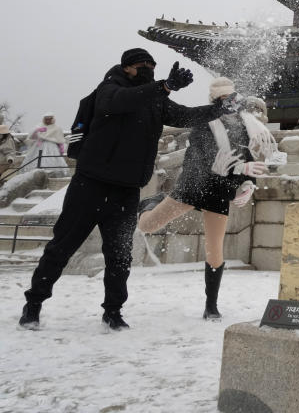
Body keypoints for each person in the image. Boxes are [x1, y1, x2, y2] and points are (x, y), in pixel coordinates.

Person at [18, 48, 228, 331]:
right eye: (144, 65)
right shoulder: (109, 89)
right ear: (127, 67)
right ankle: (33, 304)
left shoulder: (155, 100)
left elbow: (184, 116)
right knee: (61, 248)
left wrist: (217, 110)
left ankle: (113, 311)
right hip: (90, 185)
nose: (150, 69)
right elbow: (120, 102)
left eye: (153, 66)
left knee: (119, 255)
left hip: (127, 190)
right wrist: (164, 86)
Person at [137, 77, 275, 320]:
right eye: (222, 100)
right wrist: (240, 170)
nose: (229, 104)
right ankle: (152, 202)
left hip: (219, 191)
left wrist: (248, 184)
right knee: (147, 225)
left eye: (231, 99)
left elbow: (250, 158)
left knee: (215, 250)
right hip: (193, 185)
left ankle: (211, 305)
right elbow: (207, 158)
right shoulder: (203, 123)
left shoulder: (245, 125)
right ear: (214, 101)